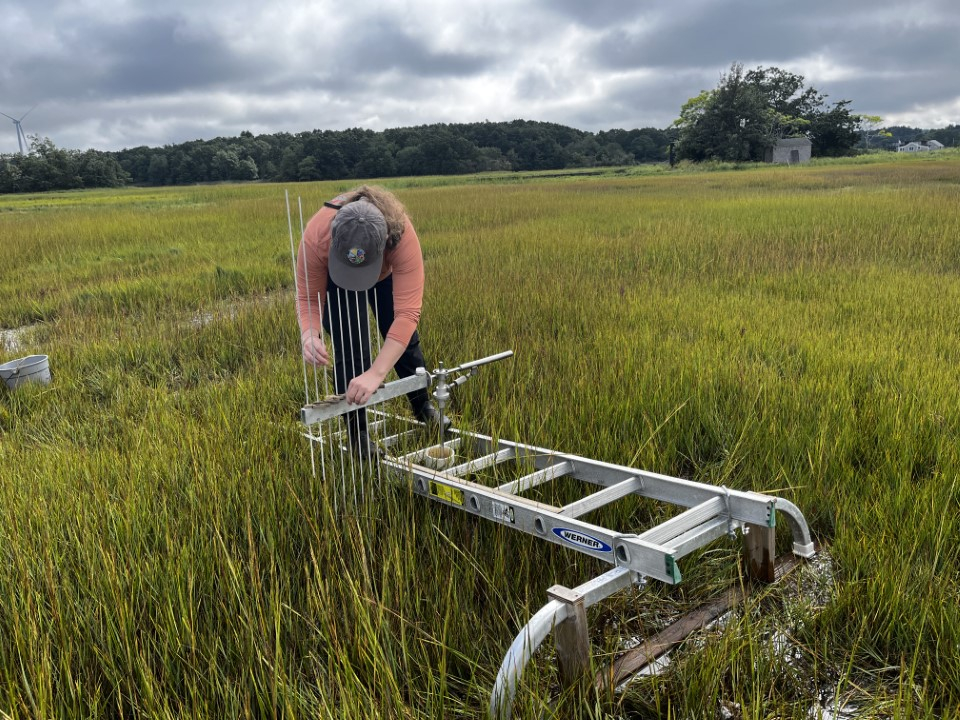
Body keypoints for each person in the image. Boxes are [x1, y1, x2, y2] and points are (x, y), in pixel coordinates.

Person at [295, 185, 447, 458]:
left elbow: (407, 315)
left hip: (384, 272)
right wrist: (309, 334)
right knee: (350, 346)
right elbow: (308, 298)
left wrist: (376, 374)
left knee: (403, 338)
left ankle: (422, 406)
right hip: (336, 279)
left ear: (387, 238)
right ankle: (358, 432)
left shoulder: (401, 234)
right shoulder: (316, 239)